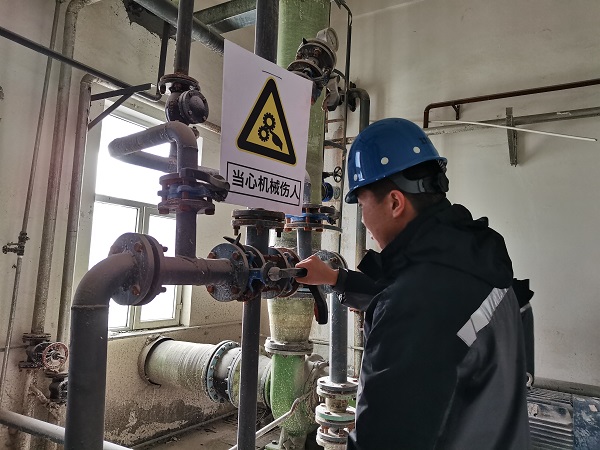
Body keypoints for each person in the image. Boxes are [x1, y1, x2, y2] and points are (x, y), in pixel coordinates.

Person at [296, 118, 531, 449]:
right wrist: (336, 278)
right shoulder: (477, 255)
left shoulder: (416, 305)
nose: (363, 219)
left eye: (362, 204)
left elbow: (383, 439)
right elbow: (424, 300)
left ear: (395, 203)